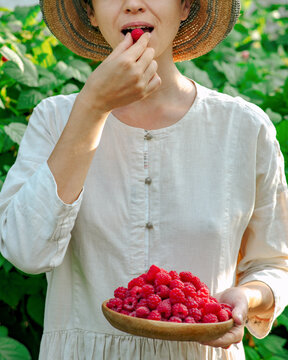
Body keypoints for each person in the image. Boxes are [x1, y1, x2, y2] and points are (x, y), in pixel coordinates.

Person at [0, 0, 288, 358]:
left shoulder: (244, 128)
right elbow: (27, 252)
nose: (133, 4)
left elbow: (273, 263)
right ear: (91, 12)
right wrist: (91, 107)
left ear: (185, 6)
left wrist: (246, 296)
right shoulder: (54, 120)